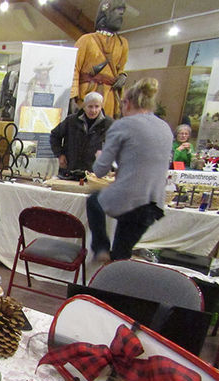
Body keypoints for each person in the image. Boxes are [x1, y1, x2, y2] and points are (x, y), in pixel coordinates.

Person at [86, 77, 172, 262]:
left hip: (129, 199)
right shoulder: (164, 127)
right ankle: (112, 278)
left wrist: (100, 157)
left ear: (127, 103)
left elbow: (100, 171)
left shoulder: (123, 125)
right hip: (153, 203)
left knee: (94, 201)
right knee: (121, 254)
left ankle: (100, 247)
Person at [71, 0, 128, 118]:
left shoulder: (123, 44)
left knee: (107, 130)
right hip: (87, 94)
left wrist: (122, 76)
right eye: (117, 11)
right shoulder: (86, 40)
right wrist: (73, 97)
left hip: (109, 97)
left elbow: (121, 68)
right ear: (106, 12)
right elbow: (74, 68)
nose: (120, 15)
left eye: (122, 12)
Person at [50, 91, 113, 174]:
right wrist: (60, 154)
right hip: (70, 169)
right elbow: (54, 135)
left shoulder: (109, 124)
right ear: (84, 107)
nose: (93, 110)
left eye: (97, 106)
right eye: (90, 106)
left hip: (94, 173)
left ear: (101, 107)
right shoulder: (71, 120)